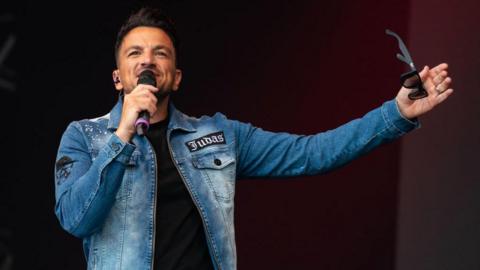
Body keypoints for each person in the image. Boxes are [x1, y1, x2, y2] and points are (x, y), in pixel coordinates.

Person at [53, 7, 453, 270]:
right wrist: (122, 135)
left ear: (176, 75)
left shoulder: (220, 135)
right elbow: (75, 219)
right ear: (119, 76)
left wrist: (396, 113)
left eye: (161, 54)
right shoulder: (85, 137)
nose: (147, 61)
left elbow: (313, 153)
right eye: (135, 53)